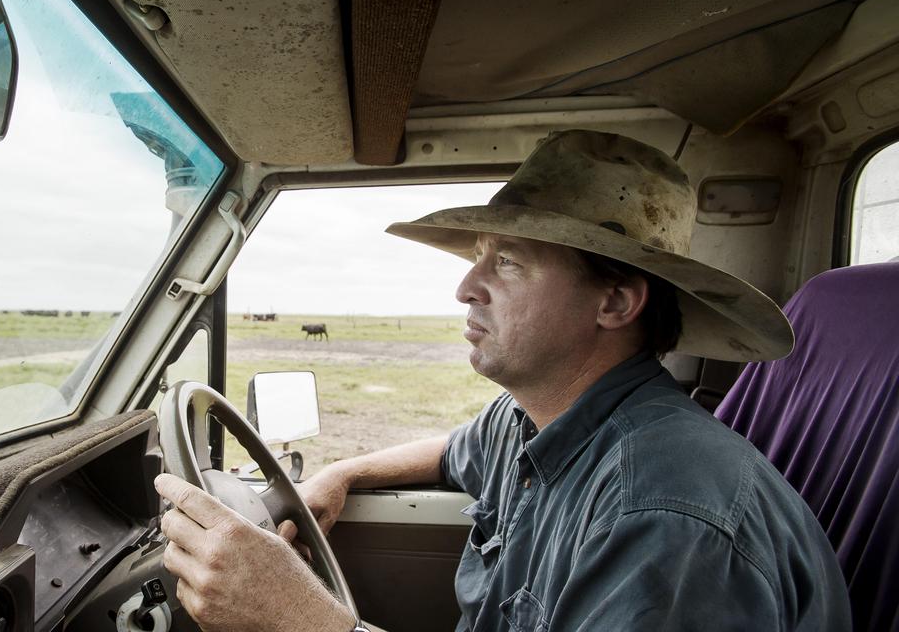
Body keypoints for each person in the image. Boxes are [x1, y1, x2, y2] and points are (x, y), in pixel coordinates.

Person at [155, 129, 851, 631]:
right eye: (478, 258)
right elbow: (453, 449)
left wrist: (298, 620)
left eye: (509, 263)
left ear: (614, 303)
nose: (466, 287)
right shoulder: (542, 419)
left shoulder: (666, 520)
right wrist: (342, 473)